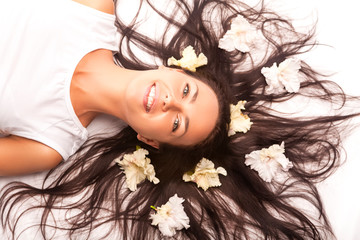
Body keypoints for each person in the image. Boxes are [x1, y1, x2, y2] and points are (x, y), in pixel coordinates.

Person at [0, 0, 359, 239]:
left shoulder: (48, 144)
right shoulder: (93, 10)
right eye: (187, 92)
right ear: (174, 69)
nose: (171, 103)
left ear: (150, 141)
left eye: (177, 125)